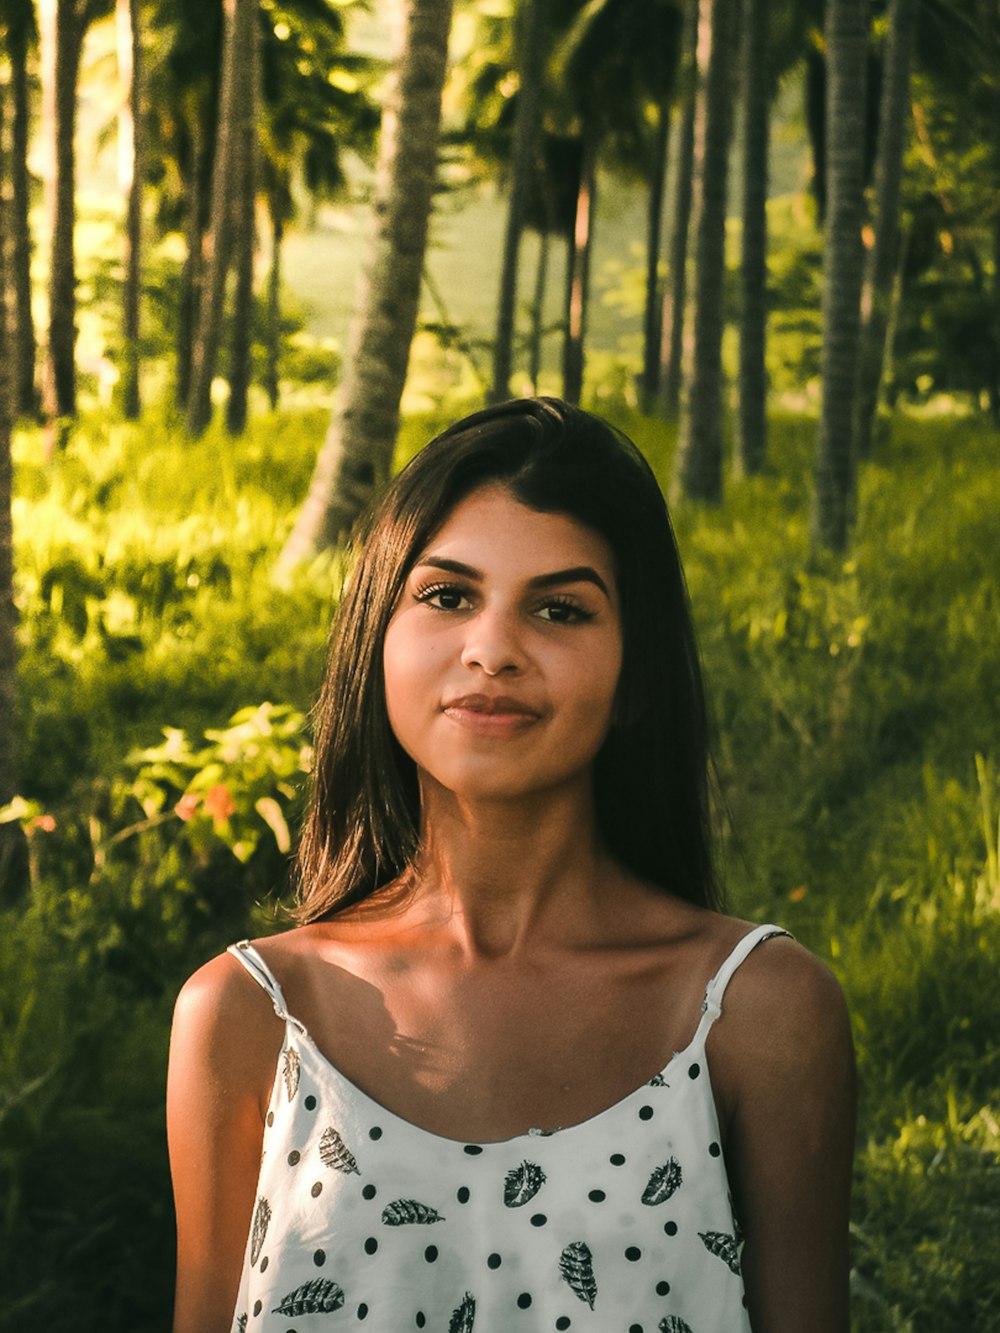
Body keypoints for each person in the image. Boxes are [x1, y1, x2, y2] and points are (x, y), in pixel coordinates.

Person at [167, 397, 856, 1333]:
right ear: (378, 636)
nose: (491, 650)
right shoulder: (246, 1016)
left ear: (635, 674)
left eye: (561, 608)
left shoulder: (756, 1015)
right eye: (447, 595)